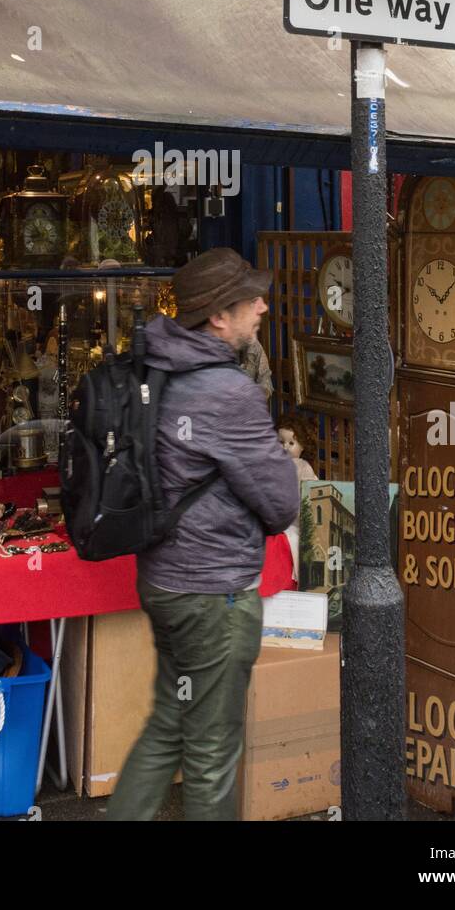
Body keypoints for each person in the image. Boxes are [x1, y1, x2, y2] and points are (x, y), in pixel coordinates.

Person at [106, 248, 299, 822]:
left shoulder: (156, 364)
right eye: (250, 299)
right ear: (219, 315)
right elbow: (281, 501)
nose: (263, 305)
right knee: (212, 752)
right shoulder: (226, 390)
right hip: (214, 593)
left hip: (165, 581)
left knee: (169, 723)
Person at [276, 413, 320, 582]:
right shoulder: (272, 464)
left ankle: (298, 574)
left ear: (302, 446)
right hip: (278, 516)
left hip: (294, 518)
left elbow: (310, 490)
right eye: (281, 442)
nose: (285, 447)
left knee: (294, 537)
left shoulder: (302, 466)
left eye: (291, 443)